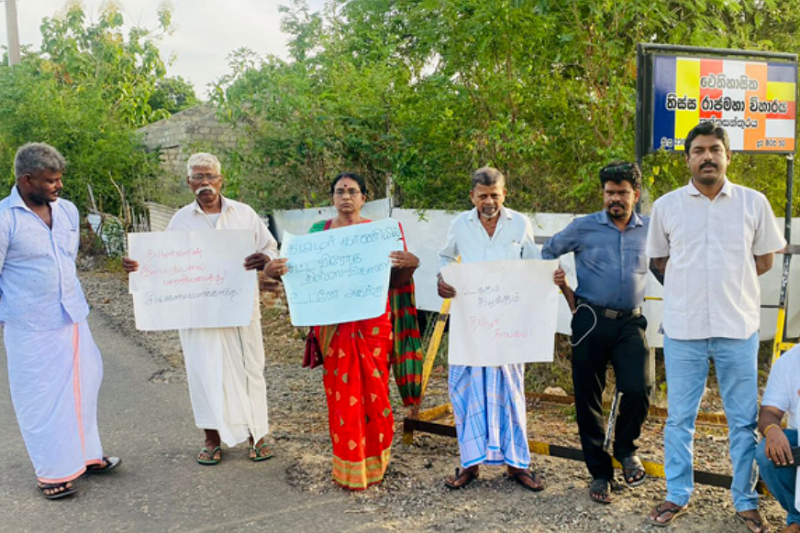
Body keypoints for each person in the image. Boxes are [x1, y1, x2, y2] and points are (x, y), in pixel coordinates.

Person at [647, 122, 785, 531]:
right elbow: (660, 263)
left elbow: (763, 260)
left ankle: (744, 499)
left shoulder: (753, 202)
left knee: (742, 421)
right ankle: (677, 493)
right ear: (687, 158)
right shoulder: (667, 206)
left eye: (715, 150)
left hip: (737, 328)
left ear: (728, 156)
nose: (707, 157)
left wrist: (728, 288)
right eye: (699, 150)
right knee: (678, 420)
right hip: (683, 330)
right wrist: (691, 290)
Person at [266, 172, 423, 490]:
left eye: (353, 191)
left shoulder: (381, 232)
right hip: (334, 327)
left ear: (364, 197)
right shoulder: (317, 233)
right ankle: (348, 468)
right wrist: (275, 269)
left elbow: (397, 281)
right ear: (332, 198)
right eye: (340, 191)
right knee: (342, 398)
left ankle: (377, 463)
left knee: (375, 395)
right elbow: (300, 276)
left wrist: (411, 263)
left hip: (373, 326)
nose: (346, 197)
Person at [123, 153, 277, 464]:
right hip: (197, 313)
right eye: (198, 177)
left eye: (210, 176)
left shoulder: (244, 214)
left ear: (221, 180)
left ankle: (257, 436)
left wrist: (266, 261)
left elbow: (270, 248)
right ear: (188, 182)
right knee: (202, 371)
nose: (204, 183)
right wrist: (138, 266)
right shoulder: (180, 220)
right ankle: (211, 438)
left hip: (240, 310)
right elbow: (162, 265)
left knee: (250, 370)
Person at [0, 143, 120, 500]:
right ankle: (51, 472)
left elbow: (68, 259)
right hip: (30, 324)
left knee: (84, 386)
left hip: (73, 315)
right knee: (41, 397)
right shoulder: (5, 218)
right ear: (27, 179)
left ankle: (86, 456)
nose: (59, 186)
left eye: (60, 178)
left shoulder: (66, 211)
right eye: (51, 180)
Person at [541, 161, 652, 504]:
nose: (614, 198)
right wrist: (565, 288)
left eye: (621, 192)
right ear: (602, 194)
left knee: (639, 386)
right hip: (588, 318)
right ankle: (600, 473)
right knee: (588, 395)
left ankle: (626, 449)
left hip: (631, 321)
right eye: (609, 192)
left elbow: (669, 264)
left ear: (635, 194)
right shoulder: (583, 227)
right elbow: (546, 254)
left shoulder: (650, 229)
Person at [437, 166, 545, 492]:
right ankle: (470, 465)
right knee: (467, 391)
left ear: (504, 194)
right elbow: (444, 258)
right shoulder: (461, 224)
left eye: (495, 195)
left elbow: (534, 264)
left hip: (509, 323)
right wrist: (443, 279)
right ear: (472, 196)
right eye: (482, 195)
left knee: (510, 391)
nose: (489, 201)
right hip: (472, 321)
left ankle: (517, 465)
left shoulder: (520, 224)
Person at [756, 345, 800, 533]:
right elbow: (769, 413)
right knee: (767, 452)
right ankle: (797, 519)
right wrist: (773, 430)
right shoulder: (788, 362)